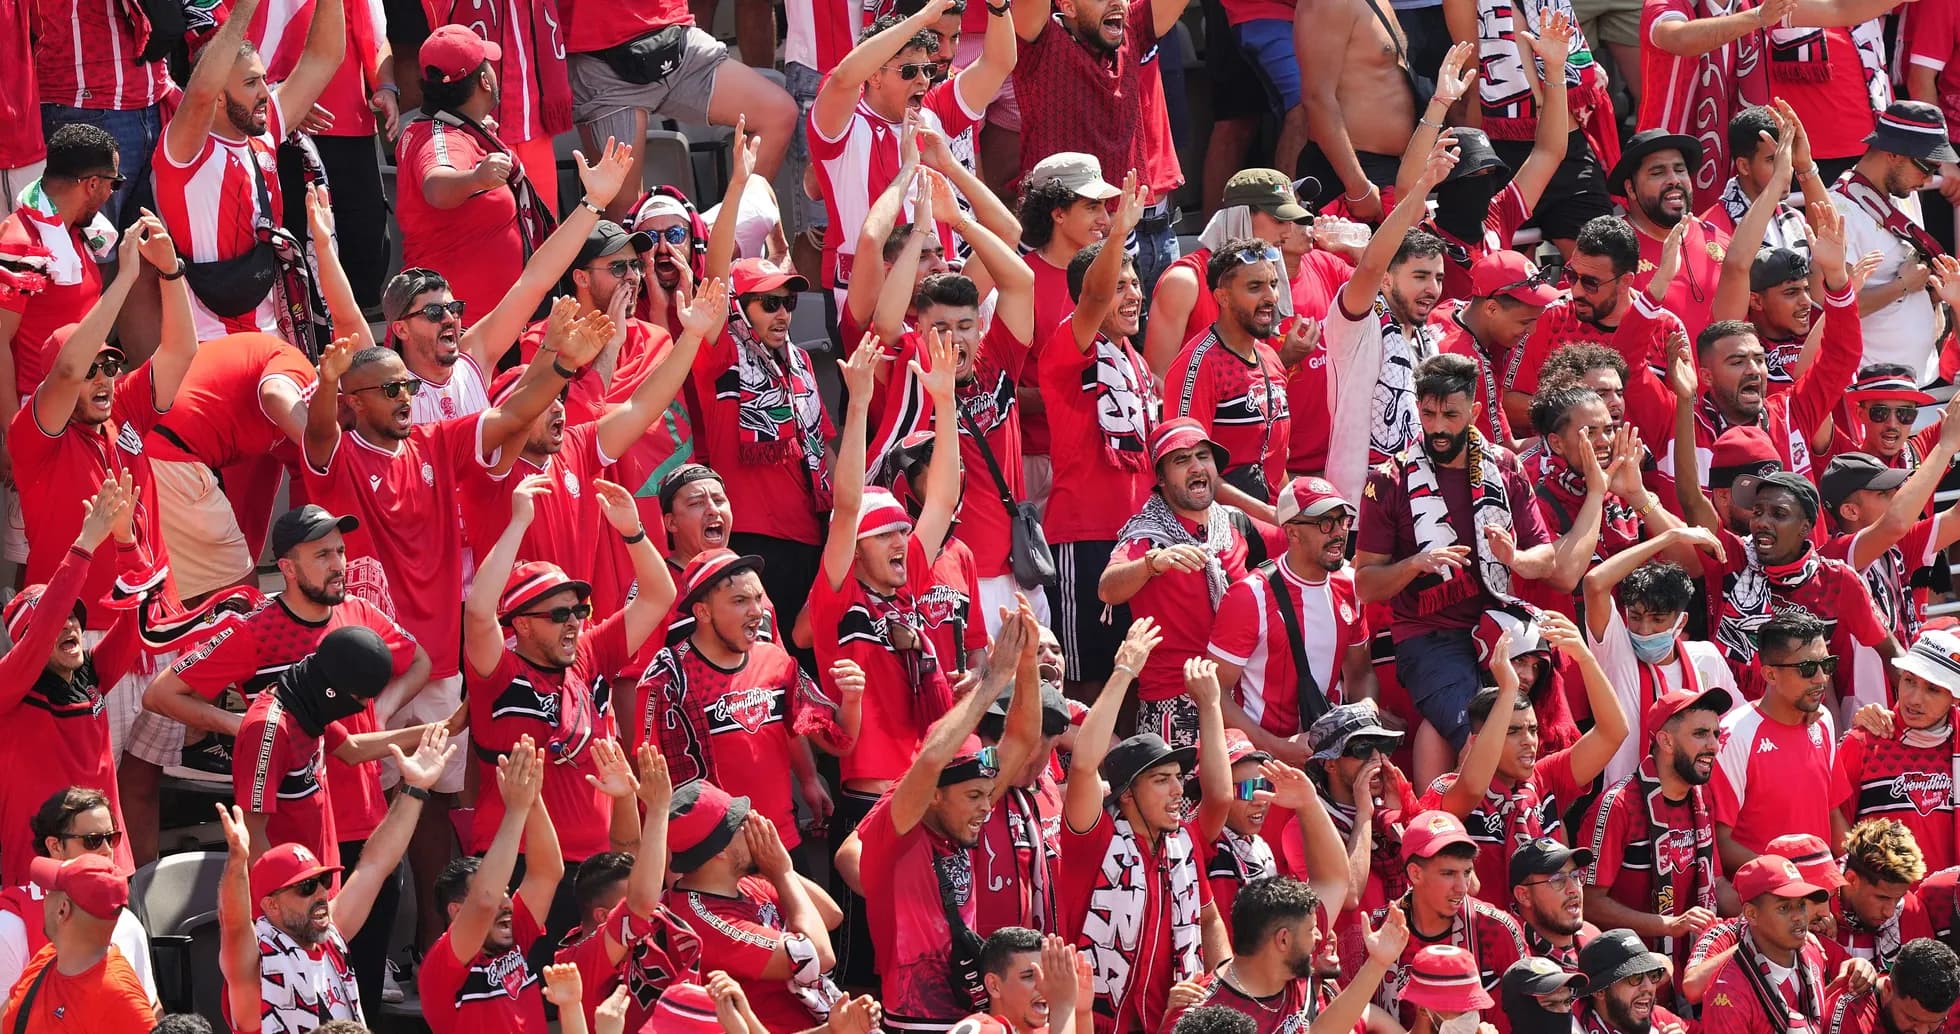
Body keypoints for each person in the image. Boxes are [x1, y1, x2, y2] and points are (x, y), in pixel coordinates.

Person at [143, 504, 430, 1007]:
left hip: (367, 824)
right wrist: (242, 723)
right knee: (304, 996)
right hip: (297, 843)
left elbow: (419, 659)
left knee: (358, 994)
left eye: (341, 551)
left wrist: (382, 712)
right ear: (289, 567)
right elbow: (162, 693)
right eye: (322, 554)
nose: (339, 563)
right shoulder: (253, 630)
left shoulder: (359, 613)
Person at [10, 220, 192, 866]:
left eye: (110, 367)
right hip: (83, 639)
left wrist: (168, 274)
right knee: (87, 796)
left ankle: (134, 909)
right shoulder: (39, 437)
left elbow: (179, 355)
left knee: (141, 784)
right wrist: (120, 280)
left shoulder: (128, 416)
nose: (102, 380)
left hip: (150, 626)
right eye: (92, 370)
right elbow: (62, 365)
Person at [1354, 353, 1595, 765]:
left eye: (1451, 414)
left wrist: (1513, 557)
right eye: (1428, 414)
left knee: (1536, 737)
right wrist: (1415, 564)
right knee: (1482, 739)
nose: (1438, 427)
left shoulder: (1504, 467)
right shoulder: (1388, 480)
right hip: (1428, 636)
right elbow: (1365, 584)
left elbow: (1544, 559)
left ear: (1474, 412)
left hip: (1498, 622)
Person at [462, 470, 676, 919]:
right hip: (520, 860)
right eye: (559, 614)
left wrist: (633, 532)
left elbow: (660, 595)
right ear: (520, 624)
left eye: (579, 610)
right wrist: (519, 522)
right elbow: (480, 611)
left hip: (598, 864)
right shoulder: (497, 673)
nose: (574, 622)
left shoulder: (589, 653)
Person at [852, 602, 1047, 1030]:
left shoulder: (961, 812)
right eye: (976, 795)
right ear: (935, 797)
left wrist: (1028, 663)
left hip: (970, 1015)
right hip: (914, 1024)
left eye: (987, 795)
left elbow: (1022, 738)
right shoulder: (899, 825)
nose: (986, 806)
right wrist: (992, 680)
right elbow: (930, 760)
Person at [213, 726, 454, 1033]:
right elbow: (234, 924)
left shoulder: (330, 936)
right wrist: (236, 865)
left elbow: (374, 865)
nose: (321, 895)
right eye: (306, 887)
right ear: (270, 905)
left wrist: (414, 788)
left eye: (323, 883)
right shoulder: (256, 962)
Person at [381, 141, 635, 427]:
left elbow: (534, 281)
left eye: (453, 307)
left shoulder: (472, 360)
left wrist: (594, 202)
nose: (450, 318)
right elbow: (348, 317)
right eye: (434, 313)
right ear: (400, 328)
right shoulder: (386, 390)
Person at [1061, 618, 1229, 1034]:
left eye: (1178, 777)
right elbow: (1083, 764)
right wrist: (1124, 672)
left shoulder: (1182, 843)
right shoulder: (1094, 839)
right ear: (1127, 794)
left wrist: (1210, 706)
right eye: (1161, 779)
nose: (1178, 789)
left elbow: (1209, 920)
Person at [634, 547, 854, 850]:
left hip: (782, 843)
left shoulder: (776, 660)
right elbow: (652, 784)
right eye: (740, 601)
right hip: (714, 859)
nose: (757, 611)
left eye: (758, 598)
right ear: (703, 611)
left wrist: (853, 699)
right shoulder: (667, 678)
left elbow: (839, 742)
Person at [152, 0, 343, 341]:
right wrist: (247, 8)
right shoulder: (185, 149)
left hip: (275, 331)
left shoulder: (264, 132)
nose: (266, 93)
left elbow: (323, 58)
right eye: (252, 83)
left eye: (265, 80)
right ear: (220, 98)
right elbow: (200, 92)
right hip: (208, 340)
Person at [1036, 186, 1160, 700]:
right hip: (1083, 540)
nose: (1132, 294)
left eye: (1136, 284)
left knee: (1137, 677)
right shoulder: (1068, 349)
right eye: (1121, 285)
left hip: (1137, 541)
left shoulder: (1136, 360)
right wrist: (1118, 235)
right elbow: (1093, 297)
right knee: (1087, 680)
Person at [808, 0, 1012, 296]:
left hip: (938, 289)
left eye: (927, 70)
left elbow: (998, 64)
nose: (922, 79)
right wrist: (922, 18)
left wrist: (999, 7)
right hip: (868, 292)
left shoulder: (934, 111)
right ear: (874, 76)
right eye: (908, 71)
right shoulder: (844, 122)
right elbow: (844, 77)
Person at [0, 476, 142, 883]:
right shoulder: (9, 688)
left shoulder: (92, 674)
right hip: (41, 875)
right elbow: (43, 626)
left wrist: (126, 543)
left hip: (111, 865)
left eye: (74, 619)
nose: (70, 627)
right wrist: (84, 544)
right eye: (54, 622)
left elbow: (138, 619)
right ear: (28, 640)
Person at [1421, 613, 1626, 895]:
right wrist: (1508, 691)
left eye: (1532, 729)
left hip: (1546, 933)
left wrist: (1585, 659)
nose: (1529, 741)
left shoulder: (1546, 777)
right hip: (1489, 935)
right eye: (1513, 731)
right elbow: (1472, 787)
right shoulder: (1448, 790)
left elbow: (1613, 732)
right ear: (1480, 740)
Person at [1100, 418, 1262, 746]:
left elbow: (1293, 551)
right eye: (1181, 460)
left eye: (1202, 456)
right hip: (1174, 710)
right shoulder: (1147, 534)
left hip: (1239, 703)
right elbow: (1107, 588)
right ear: (1159, 479)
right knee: (1183, 800)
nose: (1196, 466)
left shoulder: (1233, 524)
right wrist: (1152, 563)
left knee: (1245, 797)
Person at [232, 625, 445, 870]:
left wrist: (443, 728)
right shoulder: (269, 730)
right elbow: (250, 832)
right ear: (332, 690)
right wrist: (288, 899)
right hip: (293, 893)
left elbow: (353, 749)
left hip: (319, 877)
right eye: (360, 698)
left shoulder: (306, 704)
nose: (365, 707)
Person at [1009, 0, 1186, 286]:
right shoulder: (1038, 40)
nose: (1117, 2)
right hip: (1052, 247)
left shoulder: (1133, 28)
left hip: (1130, 241)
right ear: (1068, 6)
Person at [394, 26, 559, 326]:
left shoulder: (460, 129)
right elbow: (436, 187)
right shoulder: (441, 136)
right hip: (461, 334)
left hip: (486, 326)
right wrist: (476, 178)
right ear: (484, 81)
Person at [1323, 137, 1454, 505]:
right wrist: (1424, 185)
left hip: (1423, 498)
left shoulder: (1429, 338)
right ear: (1387, 280)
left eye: (1438, 278)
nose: (1432, 289)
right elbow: (1371, 262)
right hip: (1361, 505)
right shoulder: (1359, 323)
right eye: (1420, 277)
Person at [1208, 477, 1372, 762]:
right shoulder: (1250, 595)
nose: (1338, 533)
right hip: (1263, 765)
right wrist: (1276, 747)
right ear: (1292, 533)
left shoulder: (1349, 586)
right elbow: (1214, 692)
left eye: (1342, 521)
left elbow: (1361, 674)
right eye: (1325, 524)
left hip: (1329, 760)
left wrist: (1367, 716)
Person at [664, 781, 843, 1034]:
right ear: (720, 852)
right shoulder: (704, 920)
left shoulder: (744, 880)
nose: (754, 825)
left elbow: (830, 915)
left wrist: (779, 871)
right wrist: (782, 873)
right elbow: (821, 957)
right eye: (741, 823)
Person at [550, 746, 706, 1034]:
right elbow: (641, 901)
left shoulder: (627, 933)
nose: (653, 903)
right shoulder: (578, 959)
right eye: (629, 897)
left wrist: (624, 798)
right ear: (602, 916)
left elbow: (632, 852)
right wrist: (658, 810)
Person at [419, 735, 564, 1034]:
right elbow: (484, 901)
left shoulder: (514, 934)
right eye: (500, 895)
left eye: (507, 894)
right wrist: (515, 811)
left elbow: (548, 873)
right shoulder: (442, 964)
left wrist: (533, 800)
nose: (506, 904)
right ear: (456, 911)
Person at [0, 124, 118, 492]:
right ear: (93, 184)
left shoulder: (77, 232)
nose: (113, 193)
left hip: (82, 411)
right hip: (40, 417)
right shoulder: (22, 244)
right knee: (38, 544)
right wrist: (13, 432)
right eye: (114, 183)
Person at [1580, 687, 1730, 973]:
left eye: (1716, 735)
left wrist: (1765, 911)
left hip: (1691, 970)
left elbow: (1717, 883)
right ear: (1666, 741)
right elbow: (1589, 904)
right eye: (1700, 734)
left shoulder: (1702, 797)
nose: (1713, 745)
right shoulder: (1619, 806)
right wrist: (1667, 925)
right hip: (1630, 977)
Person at [1580, 530, 1737, 789]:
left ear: (1680, 622)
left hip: (1693, 805)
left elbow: (1733, 725)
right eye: (1636, 617)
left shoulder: (1706, 657)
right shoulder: (1617, 652)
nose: (1643, 630)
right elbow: (1594, 583)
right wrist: (1669, 537)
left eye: (1657, 619)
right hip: (1629, 808)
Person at [1343, 811, 1527, 1030]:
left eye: (1467, 872)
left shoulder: (1497, 928)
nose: (1462, 887)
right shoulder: (1381, 931)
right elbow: (1354, 1016)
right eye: (1448, 873)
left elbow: (1531, 1010)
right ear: (1415, 874)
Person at [1164, 237, 1304, 518]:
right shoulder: (1199, 363)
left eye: (1273, 285)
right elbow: (1184, 468)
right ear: (1222, 298)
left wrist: (1290, 513)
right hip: (1219, 529)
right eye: (1255, 287)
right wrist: (1268, 516)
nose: (1271, 298)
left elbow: (1275, 462)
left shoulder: (1271, 358)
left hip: (1271, 524)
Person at [1713, 607, 1848, 868]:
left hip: (1822, 897)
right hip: (1768, 900)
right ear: (1770, 674)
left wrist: (1850, 865)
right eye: (1808, 668)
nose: (1821, 678)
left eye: (1827, 664)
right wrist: (1787, 879)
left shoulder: (1823, 721)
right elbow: (1720, 841)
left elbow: (1832, 812)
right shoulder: (1736, 735)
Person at [1187, 877, 1403, 1034]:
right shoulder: (1202, 1014)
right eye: (1312, 930)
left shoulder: (1293, 974)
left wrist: (1378, 962)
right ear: (1283, 940)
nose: (1320, 936)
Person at [0, 786, 156, 999]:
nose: (107, 850)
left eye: (111, 838)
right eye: (92, 840)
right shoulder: (9, 925)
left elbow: (150, 1011)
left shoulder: (125, 921)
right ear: (55, 846)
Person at [1834, 101, 1952, 374]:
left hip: (1924, 377)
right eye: (1926, 166)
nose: (1927, 180)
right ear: (1893, 154)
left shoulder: (1905, 195)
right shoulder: (1837, 209)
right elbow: (1835, 308)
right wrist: (1903, 285)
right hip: (1875, 391)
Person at [1835, 628, 1960, 876]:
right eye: (1909, 680)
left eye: (1933, 689)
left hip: (1951, 903)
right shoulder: (1863, 742)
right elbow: (1834, 818)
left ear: (1955, 698)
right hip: (1883, 908)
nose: (1914, 699)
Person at [0, 853, 154, 1032]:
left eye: (50, 892)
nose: (44, 899)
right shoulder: (45, 958)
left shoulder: (122, 998)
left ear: (62, 910)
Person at [1606, 132, 1730, 335]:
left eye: (1680, 170)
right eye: (1657, 172)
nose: (1674, 180)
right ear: (1631, 189)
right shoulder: (1607, 248)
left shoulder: (1719, 238)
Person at [1442, 250, 1565, 447]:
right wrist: (1571, 439)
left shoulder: (1449, 309)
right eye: (1525, 321)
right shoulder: (1472, 369)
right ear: (1491, 309)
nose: (1532, 331)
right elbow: (1503, 454)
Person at [1701, 855, 1832, 1034]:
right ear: (1751, 914)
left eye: (1801, 904)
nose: (1799, 916)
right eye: (1784, 908)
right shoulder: (1728, 992)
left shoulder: (1812, 952)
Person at [1704, 105, 1831, 254]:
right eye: (1773, 159)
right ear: (1744, 166)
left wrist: (1805, 164)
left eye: (1787, 157)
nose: (1786, 168)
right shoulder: (1712, 227)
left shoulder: (1795, 218)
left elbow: (1833, 247)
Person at [1820, 938, 1960, 1034]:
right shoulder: (1849, 1017)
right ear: (1888, 989)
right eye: (1912, 1019)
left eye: (1933, 1024)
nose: (1922, 1032)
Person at [1573, 930, 1688, 1034]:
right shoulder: (1568, 1027)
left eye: (1653, 975)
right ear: (1599, 991)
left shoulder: (1658, 1017)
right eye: (1635, 977)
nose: (1648, 987)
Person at [1508, 839, 1598, 970]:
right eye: (1557, 879)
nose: (1573, 888)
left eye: (1575, 875)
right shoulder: (1510, 954)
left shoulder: (1592, 936)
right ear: (1524, 896)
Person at [973, 930, 1083, 1034]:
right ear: (994, 985)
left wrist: (1083, 1012)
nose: (1046, 985)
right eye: (1031, 976)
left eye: (1049, 975)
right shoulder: (975, 1029)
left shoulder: (1052, 1029)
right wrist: (1063, 1006)